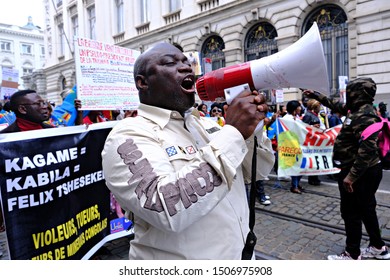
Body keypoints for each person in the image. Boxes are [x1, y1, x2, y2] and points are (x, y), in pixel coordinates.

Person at [101, 42, 268, 260]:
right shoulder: (127, 135)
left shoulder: (208, 125)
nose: (186, 68)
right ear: (142, 83)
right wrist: (234, 132)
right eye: (170, 63)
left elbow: (258, 171)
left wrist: (252, 128)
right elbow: (167, 210)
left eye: (186, 62)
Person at [304, 78, 390, 260]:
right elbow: (336, 106)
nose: (347, 95)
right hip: (364, 171)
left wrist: (351, 177)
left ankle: (352, 253)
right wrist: (316, 96)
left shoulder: (364, 116)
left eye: (350, 92)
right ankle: (378, 246)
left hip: (359, 172)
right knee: (367, 209)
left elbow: (367, 151)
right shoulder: (359, 110)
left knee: (351, 211)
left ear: (357, 94)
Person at [284, 100, 304, 194]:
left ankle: (297, 183)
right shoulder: (287, 118)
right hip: (292, 146)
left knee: (302, 166)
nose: (301, 108)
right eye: (299, 106)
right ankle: (294, 186)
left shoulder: (296, 117)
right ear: (295, 109)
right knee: (296, 166)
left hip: (299, 145)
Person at [302, 99, 322, 186]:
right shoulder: (308, 115)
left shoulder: (315, 115)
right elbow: (303, 127)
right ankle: (312, 178)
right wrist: (312, 126)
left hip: (316, 139)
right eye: (318, 107)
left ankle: (315, 177)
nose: (320, 108)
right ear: (314, 107)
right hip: (311, 140)